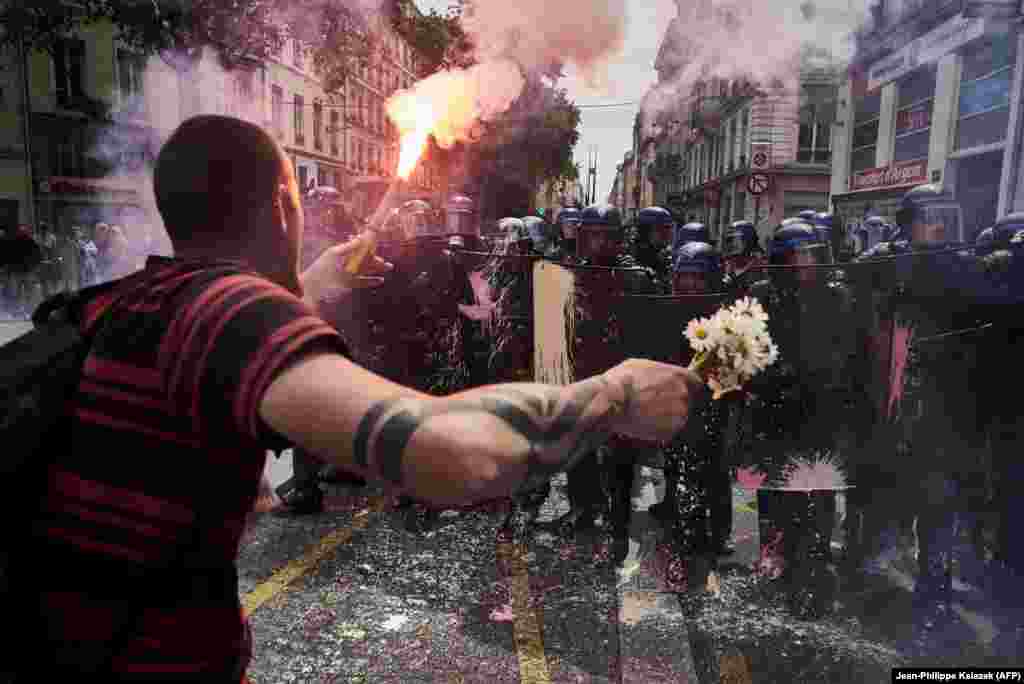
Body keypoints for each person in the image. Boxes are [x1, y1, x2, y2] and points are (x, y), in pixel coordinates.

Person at [11, 116, 703, 680]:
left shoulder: (118, 304)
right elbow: (448, 453)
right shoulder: (229, 311)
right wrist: (612, 393)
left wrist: (308, 284)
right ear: (283, 205)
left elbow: (212, 350)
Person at [536, 203, 658, 564]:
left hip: (620, 382)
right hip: (582, 377)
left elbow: (651, 335)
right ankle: (582, 511)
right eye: (593, 236)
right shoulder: (571, 273)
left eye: (607, 236)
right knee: (579, 453)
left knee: (618, 464)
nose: (599, 243)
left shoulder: (637, 278)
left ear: (618, 239)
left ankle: (615, 531)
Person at [648, 242, 736, 559]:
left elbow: (732, 367)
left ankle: (720, 533)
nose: (690, 285)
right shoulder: (666, 310)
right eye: (685, 277)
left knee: (714, 471)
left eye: (698, 278)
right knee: (675, 462)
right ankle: (681, 519)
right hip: (676, 400)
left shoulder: (724, 315)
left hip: (713, 401)